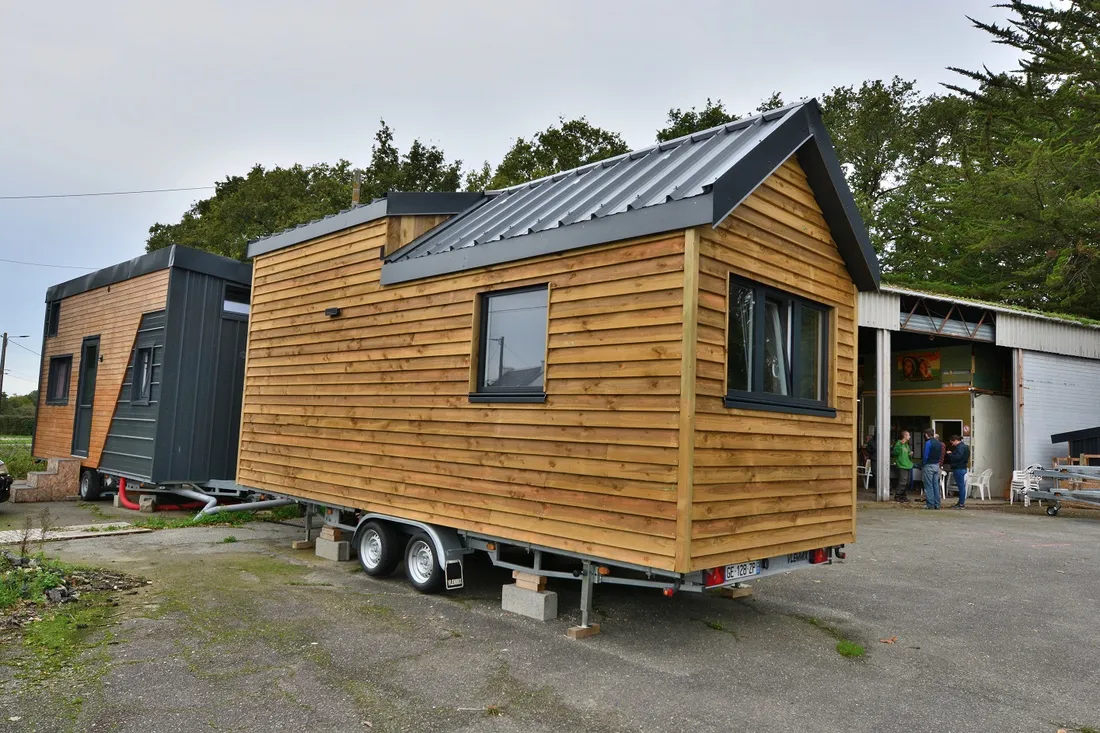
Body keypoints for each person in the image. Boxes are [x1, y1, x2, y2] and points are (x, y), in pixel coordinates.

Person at [921, 428, 945, 509]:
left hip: (929, 465)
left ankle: (930, 504)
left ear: (926, 435)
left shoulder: (928, 443)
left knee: (928, 485)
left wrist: (923, 464)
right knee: (936, 485)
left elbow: (926, 455)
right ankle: (937, 504)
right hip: (936, 465)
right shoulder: (939, 443)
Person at [945, 436, 970, 508]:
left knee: (961, 486)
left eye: (952, 442)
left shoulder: (960, 447)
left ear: (956, 440)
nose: (952, 444)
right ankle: (960, 502)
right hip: (962, 467)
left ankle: (961, 503)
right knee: (961, 486)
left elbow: (957, 457)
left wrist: (950, 454)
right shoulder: (965, 447)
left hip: (959, 468)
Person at [891, 431, 914, 502]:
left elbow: (909, 457)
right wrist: (900, 444)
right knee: (902, 481)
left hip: (908, 465)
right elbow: (894, 453)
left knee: (907, 482)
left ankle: (903, 495)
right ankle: (897, 495)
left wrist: (910, 455)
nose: (909, 437)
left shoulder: (907, 445)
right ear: (905, 436)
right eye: (908, 435)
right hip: (902, 465)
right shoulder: (899, 443)